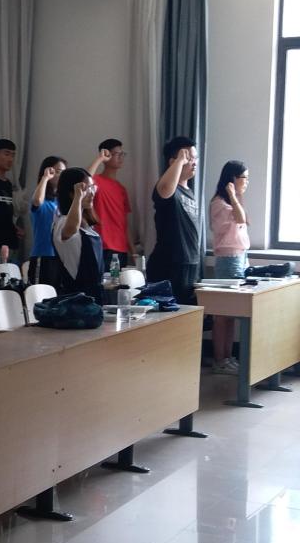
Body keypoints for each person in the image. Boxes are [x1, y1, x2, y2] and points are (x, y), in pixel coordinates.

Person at [148, 137, 201, 305]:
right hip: (169, 262)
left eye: (195, 158)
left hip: (189, 262)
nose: (194, 163)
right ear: (173, 161)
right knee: (169, 315)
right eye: (189, 158)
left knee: (188, 313)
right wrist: (179, 161)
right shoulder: (167, 187)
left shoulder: (189, 192)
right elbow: (165, 190)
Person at [210, 161, 250, 375]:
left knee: (233, 313)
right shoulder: (219, 203)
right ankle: (219, 359)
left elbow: (245, 220)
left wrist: (237, 196)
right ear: (233, 179)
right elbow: (240, 217)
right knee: (222, 314)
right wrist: (234, 195)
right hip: (228, 259)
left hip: (240, 257)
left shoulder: (233, 201)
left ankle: (228, 356)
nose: (247, 182)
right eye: (244, 177)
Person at [52, 168, 104, 302]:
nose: (92, 193)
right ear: (72, 193)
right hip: (76, 301)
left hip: (95, 297)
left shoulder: (88, 227)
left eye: (93, 187)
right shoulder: (62, 222)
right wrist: (78, 198)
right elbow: (71, 229)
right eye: (87, 189)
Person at [87, 138, 136, 268]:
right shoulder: (96, 181)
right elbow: (84, 181)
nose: (121, 157)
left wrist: (133, 251)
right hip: (102, 245)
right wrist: (100, 159)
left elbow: (124, 223)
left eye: (122, 154)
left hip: (121, 248)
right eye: (117, 154)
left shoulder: (121, 189)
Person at [28, 156, 67, 287]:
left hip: (60, 257)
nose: (62, 176)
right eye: (59, 172)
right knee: (41, 296)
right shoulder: (42, 200)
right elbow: (37, 201)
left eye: (64, 172)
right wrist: (45, 178)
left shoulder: (61, 202)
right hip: (44, 256)